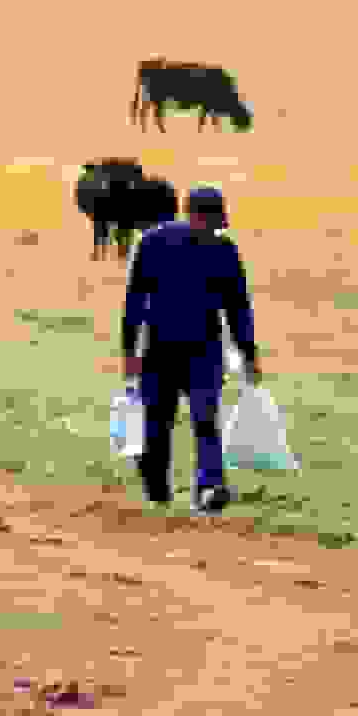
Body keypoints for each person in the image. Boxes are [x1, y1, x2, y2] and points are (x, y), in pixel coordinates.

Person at [121, 182, 262, 515]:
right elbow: (135, 300)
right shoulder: (153, 243)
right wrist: (129, 353)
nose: (215, 230)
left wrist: (248, 354)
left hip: (205, 349)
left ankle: (210, 487)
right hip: (158, 350)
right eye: (210, 222)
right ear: (192, 215)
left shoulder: (225, 250)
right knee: (157, 422)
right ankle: (155, 481)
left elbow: (238, 306)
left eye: (218, 224)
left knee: (206, 418)